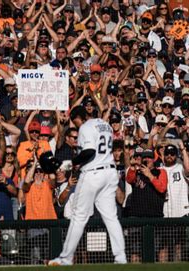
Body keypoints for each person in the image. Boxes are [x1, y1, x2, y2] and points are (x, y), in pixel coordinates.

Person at [49, 106, 127, 266]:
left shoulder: (85, 126)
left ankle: (65, 259)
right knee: (111, 218)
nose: (75, 124)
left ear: (78, 117)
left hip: (94, 173)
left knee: (78, 217)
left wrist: (71, 163)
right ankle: (121, 258)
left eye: (74, 120)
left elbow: (90, 152)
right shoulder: (105, 125)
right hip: (110, 172)